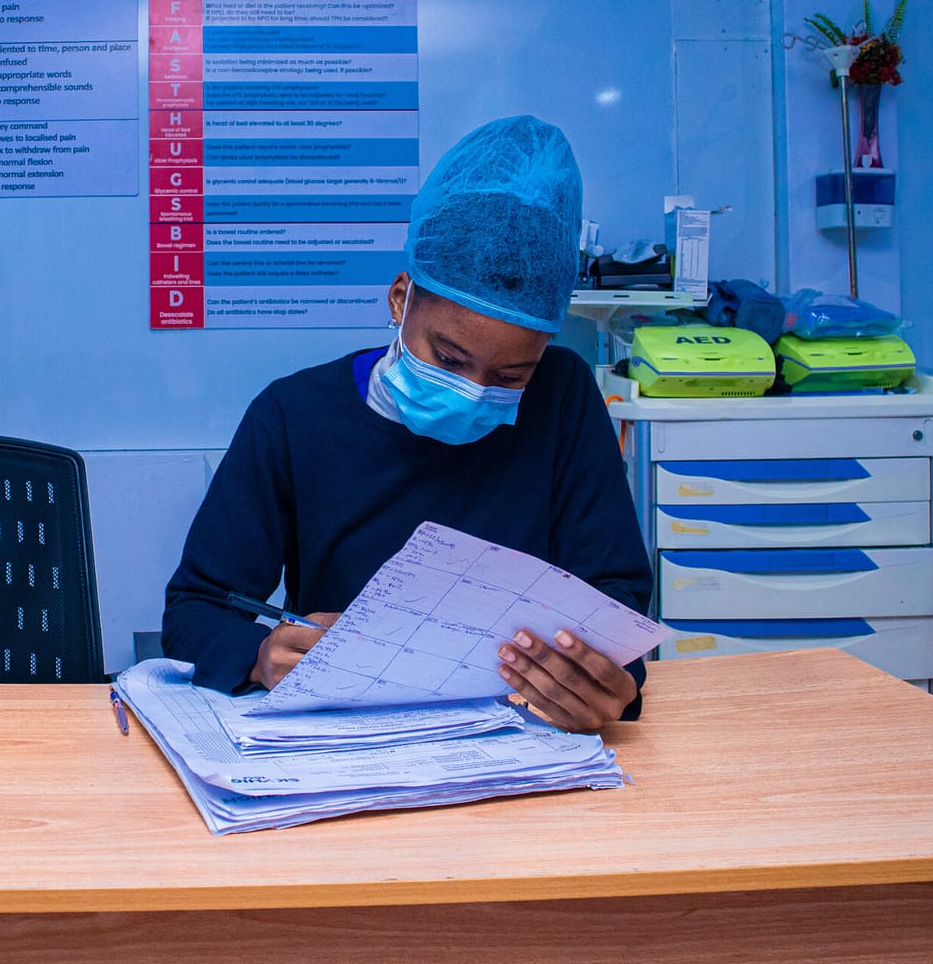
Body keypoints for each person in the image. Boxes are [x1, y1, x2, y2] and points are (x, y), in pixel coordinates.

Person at [161, 116, 653, 730]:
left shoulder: (563, 396)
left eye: (510, 376)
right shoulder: (293, 416)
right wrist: (260, 656)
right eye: (448, 359)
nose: (473, 393)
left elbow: (615, 604)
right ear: (401, 299)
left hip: (515, 736)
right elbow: (196, 609)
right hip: (342, 735)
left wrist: (603, 681)